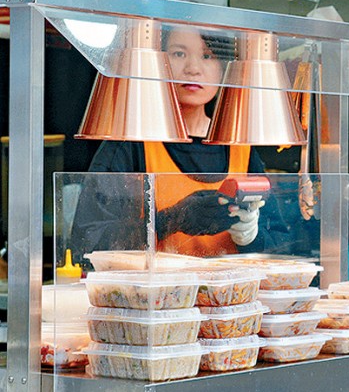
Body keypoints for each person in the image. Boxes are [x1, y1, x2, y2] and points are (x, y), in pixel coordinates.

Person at [71, 27, 290, 261]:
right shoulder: (130, 143)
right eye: (178, 54)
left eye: (207, 56)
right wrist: (170, 220)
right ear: (157, 62)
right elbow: (88, 244)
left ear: (224, 68)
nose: (193, 69)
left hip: (230, 296)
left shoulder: (242, 149)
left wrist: (251, 237)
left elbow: (282, 249)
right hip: (155, 295)